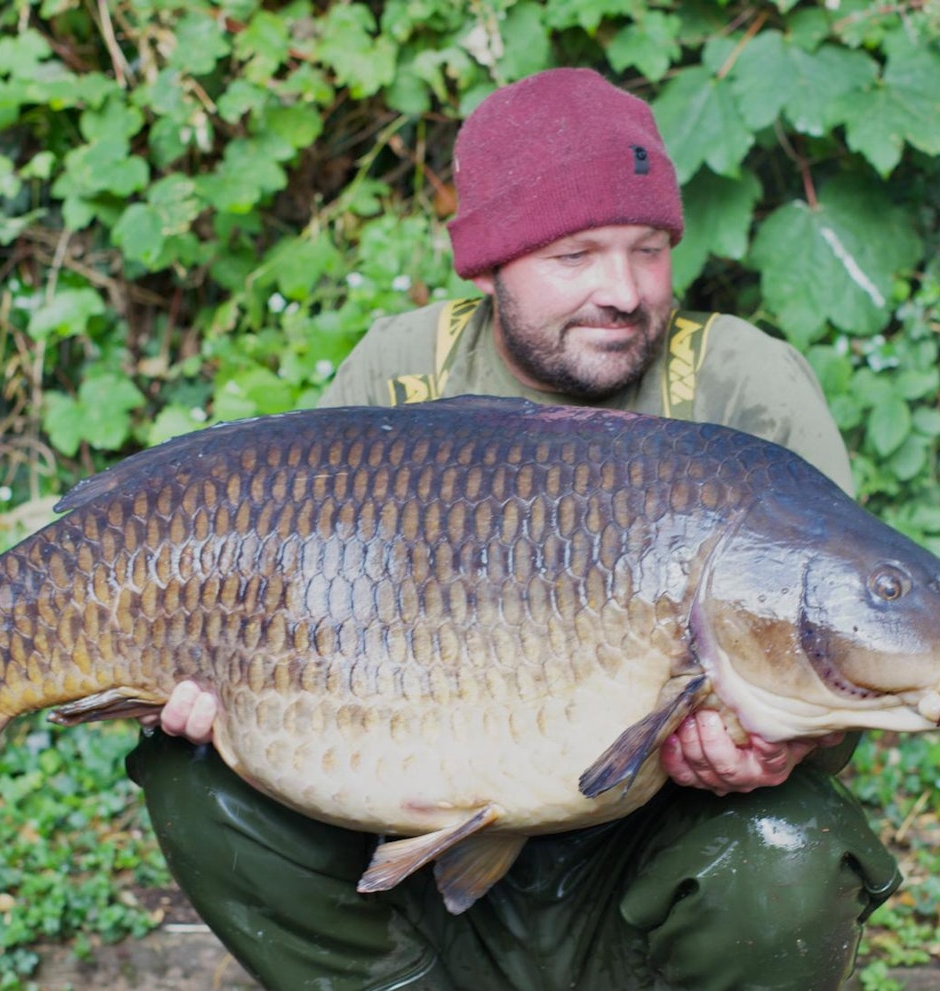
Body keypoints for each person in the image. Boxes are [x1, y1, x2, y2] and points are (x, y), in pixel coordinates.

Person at [126, 68, 901, 990]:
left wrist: (787, 743)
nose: (623, 289)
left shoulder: (740, 387)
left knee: (791, 848)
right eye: (575, 255)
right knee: (192, 776)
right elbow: (300, 592)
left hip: (652, 859)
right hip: (418, 853)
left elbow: (843, 655)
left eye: (649, 249)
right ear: (491, 263)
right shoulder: (403, 370)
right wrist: (226, 678)